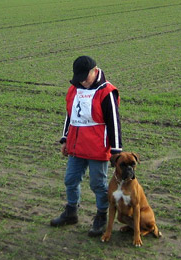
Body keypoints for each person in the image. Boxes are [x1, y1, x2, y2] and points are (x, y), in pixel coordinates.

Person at [50, 56, 122, 237]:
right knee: (70, 179)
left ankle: (101, 216)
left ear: (94, 70)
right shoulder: (74, 89)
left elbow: (114, 122)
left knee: (98, 184)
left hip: (98, 149)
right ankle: (71, 211)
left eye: (85, 76)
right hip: (76, 146)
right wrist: (65, 138)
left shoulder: (107, 92)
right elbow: (70, 115)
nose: (82, 80)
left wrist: (116, 151)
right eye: (79, 77)